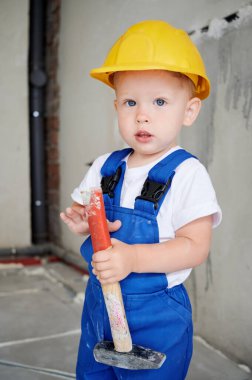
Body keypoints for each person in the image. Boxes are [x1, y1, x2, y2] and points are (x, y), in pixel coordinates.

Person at [60, 20, 222, 380]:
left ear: (190, 110)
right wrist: (83, 222)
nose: (142, 114)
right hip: (100, 306)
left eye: (160, 102)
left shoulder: (187, 174)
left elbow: (195, 247)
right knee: (93, 374)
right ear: (116, 104)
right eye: (130, 101)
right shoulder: (106, 167)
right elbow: (88, 214)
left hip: (156, 316)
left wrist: (132, 257)